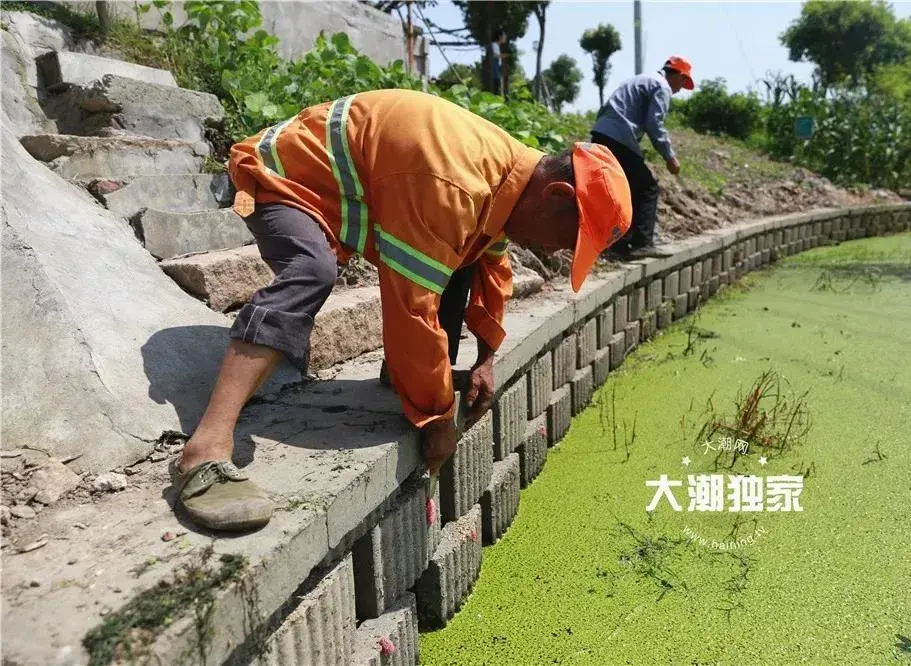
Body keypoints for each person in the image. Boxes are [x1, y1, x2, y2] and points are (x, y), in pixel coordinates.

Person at [168, 89, 632, 532]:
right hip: (283, 176)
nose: (554, 254)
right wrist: (436, 419)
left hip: (361, 188)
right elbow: (412, 309)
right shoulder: (454, 184)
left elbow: (492, 266)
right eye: (568, 241)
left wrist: (486, 359)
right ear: (556, 198)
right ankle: (204, 451)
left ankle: (404, 380)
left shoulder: (509, 175)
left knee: (463, 255)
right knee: (312, 270)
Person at [590, 55, 694, 259]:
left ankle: (618, 246)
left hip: (602, 133)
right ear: (679, 77)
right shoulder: (662, 86)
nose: (681, 89)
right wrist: (669, 156)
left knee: (622, 189)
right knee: (647, 188)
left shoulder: (641, 79)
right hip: (619, 137)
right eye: (683, 83)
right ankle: (641, 243)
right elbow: (654, 124)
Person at [490, 29, 506, 97]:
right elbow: (495, 55)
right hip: (495, 67)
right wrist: (503, 56)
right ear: (500, 37)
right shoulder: (494, 45)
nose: (505, 38)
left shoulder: (497, 46)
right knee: (496, 87)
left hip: (497, 67)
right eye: (504, 36)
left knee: (498, 86)